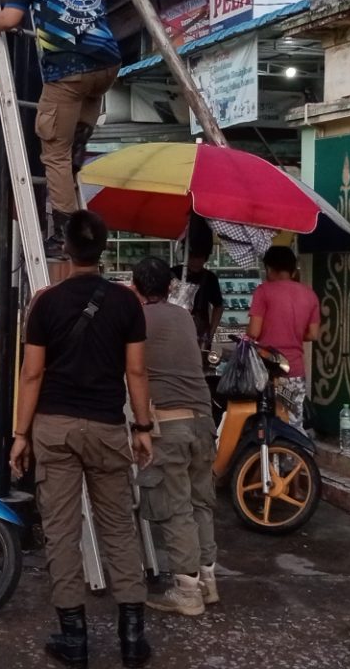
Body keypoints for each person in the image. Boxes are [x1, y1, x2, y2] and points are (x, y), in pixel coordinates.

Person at [10, 210, 156, 669]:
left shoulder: (45, 304)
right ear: (105, 249)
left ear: (66, 251)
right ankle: (132, 639)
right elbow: (136, 371)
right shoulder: (127, 303)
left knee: (62, 532)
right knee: (118, 529)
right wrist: (143, 428)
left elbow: (32, 373)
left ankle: (75, 640)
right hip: (108, 428)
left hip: (55, 428)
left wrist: (20, 435)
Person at [0, 0, 121, 258]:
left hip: (68, 72)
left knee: (54, 153)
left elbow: (11, 18)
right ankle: (72, 196)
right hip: (106, 67)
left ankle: (66, 236)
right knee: (71, 153)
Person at [130, 257, 220, 617]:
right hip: (204, 421)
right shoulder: (183, 316)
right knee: (201, 503)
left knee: (176, 507)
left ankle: (186, 591)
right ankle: (208, 582)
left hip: (170, 424)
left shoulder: (138, 320)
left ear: (136, 287)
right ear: (169, 287)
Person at [247, 246, 322, 430]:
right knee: (293, 421)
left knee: (265, 421)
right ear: (292, 268)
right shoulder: (309, 295)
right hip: (295, 372)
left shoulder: (263, 291)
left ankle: (269, 458)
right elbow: (312, 334)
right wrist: (292, 333)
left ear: (269, 268)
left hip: (268, 372)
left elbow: (254, 332)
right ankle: (296, 457)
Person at [171, 220, 223, 350]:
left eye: (200, 258)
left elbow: (218, 306)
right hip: (174, 325)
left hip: (200, 330)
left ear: (205, 258)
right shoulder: (173, 273)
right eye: (193, 257)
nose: (196, 261)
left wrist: (211, 332)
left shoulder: (210, 278)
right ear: (186, 255)